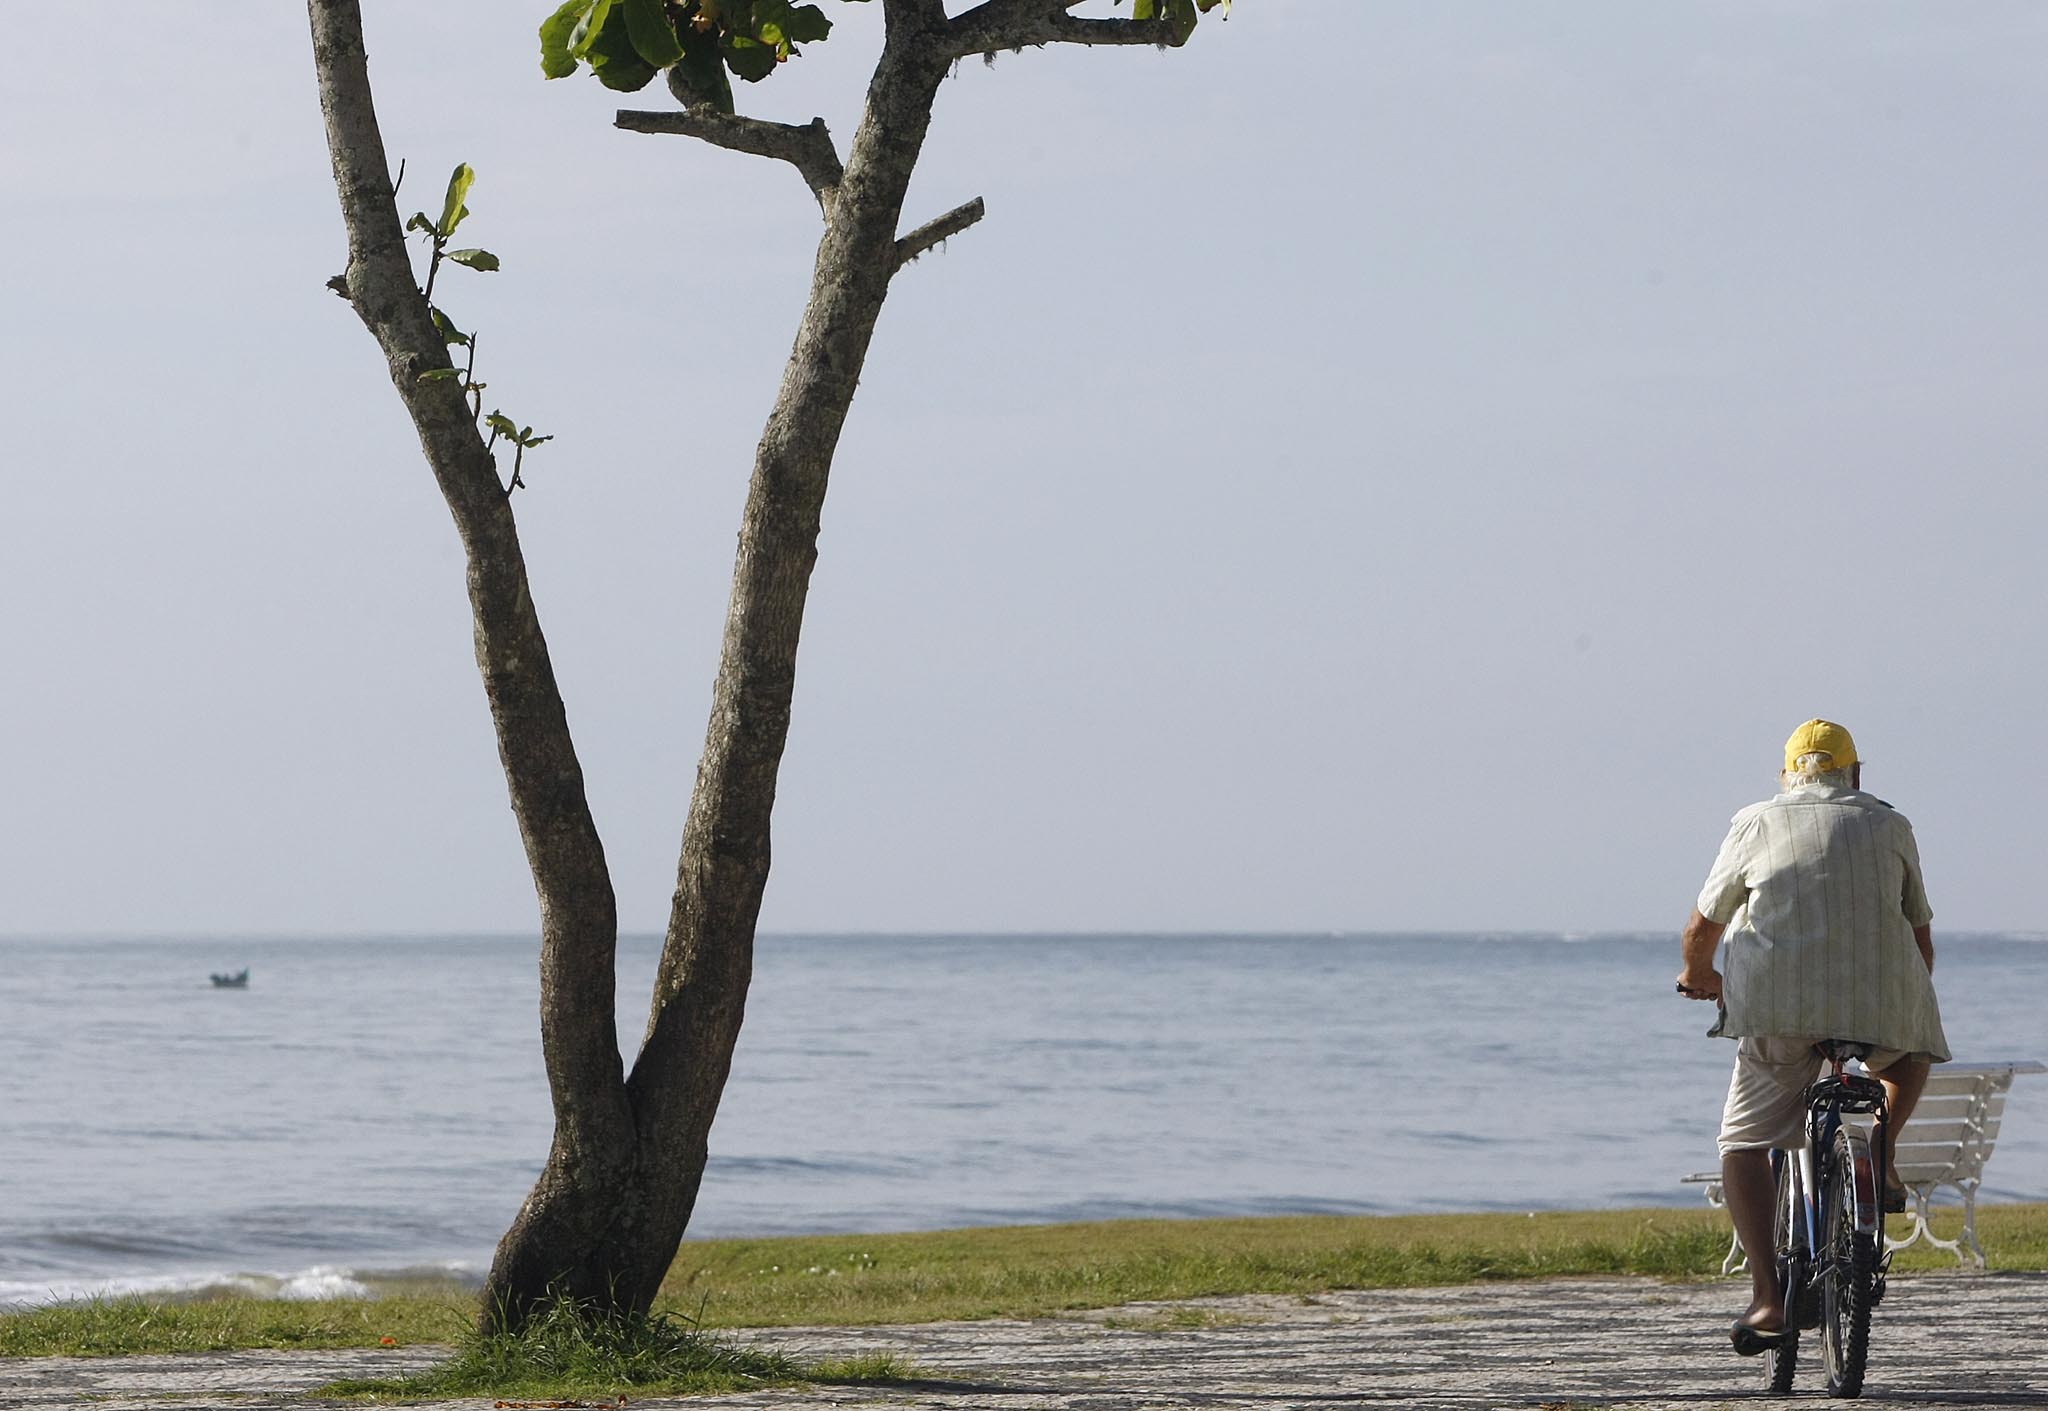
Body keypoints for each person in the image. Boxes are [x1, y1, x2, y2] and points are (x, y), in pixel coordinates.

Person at [1675, 718, 1948, 1357]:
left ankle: (1769, 1297)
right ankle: (1880, 1153)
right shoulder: (1890, 824)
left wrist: (1698, 978)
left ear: (1788, 775)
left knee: (1742, 1144)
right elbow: (1920, 937)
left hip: (1778, 1009)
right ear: (1855, 774)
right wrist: (1901, 999)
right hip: (1879, 1006)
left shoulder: (1757, 821)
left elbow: (1701, 928)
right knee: (1911, 1053)